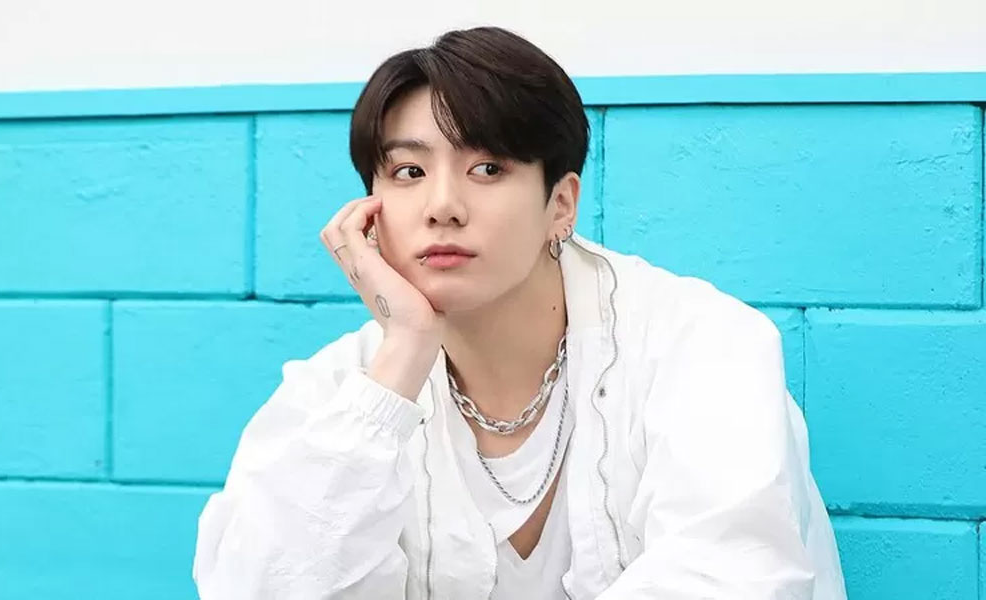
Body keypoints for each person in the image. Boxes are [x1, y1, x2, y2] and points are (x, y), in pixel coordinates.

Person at [192, 26, 847, 599]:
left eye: (487, 168)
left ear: (561, 204)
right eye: (409, 172)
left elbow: (732, 577)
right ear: (370, 210)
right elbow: (259, 586)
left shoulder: (698, 346)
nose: (441, 206)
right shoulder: (344, 388)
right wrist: (404, 353)